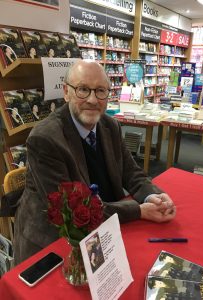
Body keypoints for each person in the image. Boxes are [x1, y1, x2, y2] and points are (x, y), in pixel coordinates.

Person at [14, 60, 176, 264]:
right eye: (82, 89)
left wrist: (155, 196)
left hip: (106, 230)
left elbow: (132, 173)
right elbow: (73, 211)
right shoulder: (45, 139)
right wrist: (139, 211)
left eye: (100, 91)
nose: (92, 99)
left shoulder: (111, 126)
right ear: (66, 92)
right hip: (56, 241)